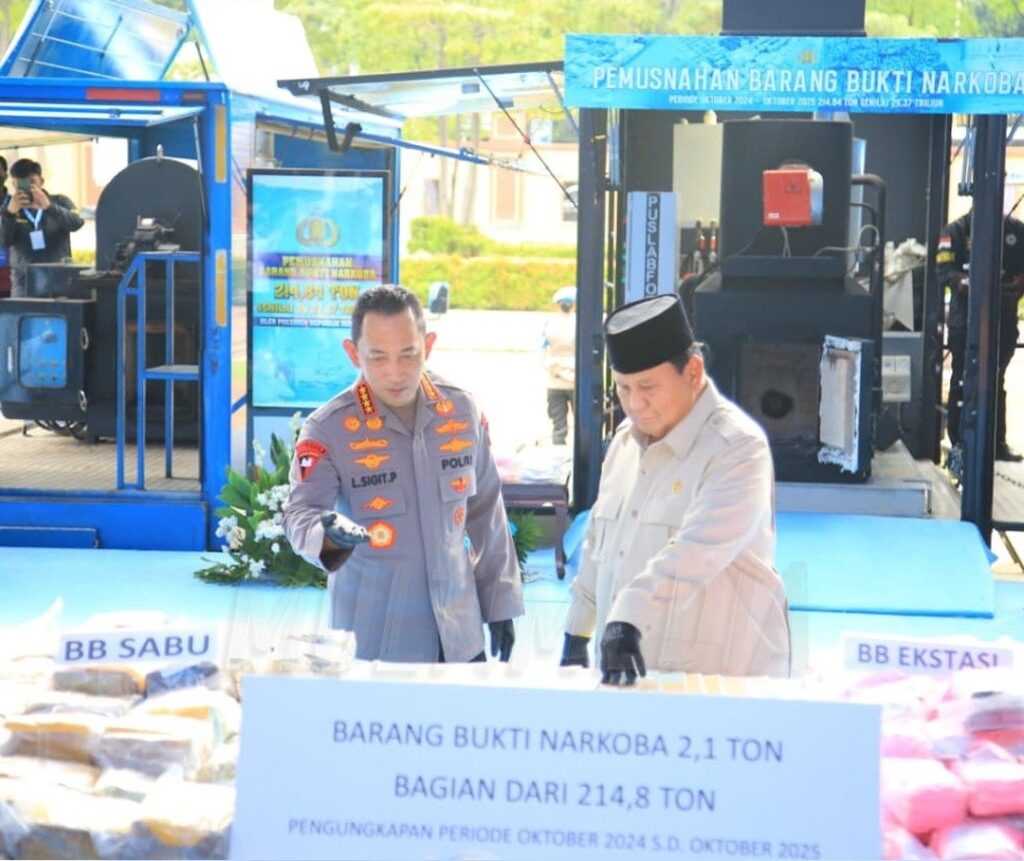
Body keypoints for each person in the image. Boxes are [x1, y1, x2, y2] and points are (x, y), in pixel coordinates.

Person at [283, 284, 524, 663]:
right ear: (353, 353)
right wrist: (327, 539)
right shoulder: (328, 428)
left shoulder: (460, 410)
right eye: (377, 358)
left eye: (409, 354)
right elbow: (300, 514)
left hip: (459, 636)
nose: (395, 373)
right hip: (374, 643)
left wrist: (500, 601)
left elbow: (486, 511)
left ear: (427, 345)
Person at [559, 294, 791, 685]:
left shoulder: (737, 448)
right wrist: (577, 631)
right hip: (631, 676)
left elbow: (695, 549)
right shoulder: (623, 444)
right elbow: (601, 542)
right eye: (624, 389)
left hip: (721, 685)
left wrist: (627, 616)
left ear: (693, 372)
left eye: (648, 387)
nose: (636, 404)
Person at [937, 210, 1024, 463]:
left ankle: (997, 445)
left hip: (1003, 321)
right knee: (962, 381)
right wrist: (966, 282)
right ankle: (958, 446)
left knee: (996, 381)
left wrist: (1018, 282)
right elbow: (943, 270)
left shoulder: (1017, 231)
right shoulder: (954, 231)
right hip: (965, 321)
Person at [0, 158, 84, 297]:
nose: (27, 188)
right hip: (24, 284)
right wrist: (9, 215)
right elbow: (4, 241)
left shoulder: (60, 201)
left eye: (32, 182)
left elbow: (77, 223)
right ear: (14, 184)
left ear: (42, 181)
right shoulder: (8, 207)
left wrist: (49, 207)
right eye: (21, 184)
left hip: (58, 281)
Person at [541, 286, 576, 445]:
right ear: (574, 304)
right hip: (576, 381)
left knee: (558, 425)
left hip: (554, 381)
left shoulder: (549, 324)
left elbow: (542, 352)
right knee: (582, 424)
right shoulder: (581, 324)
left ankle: (557, 454)